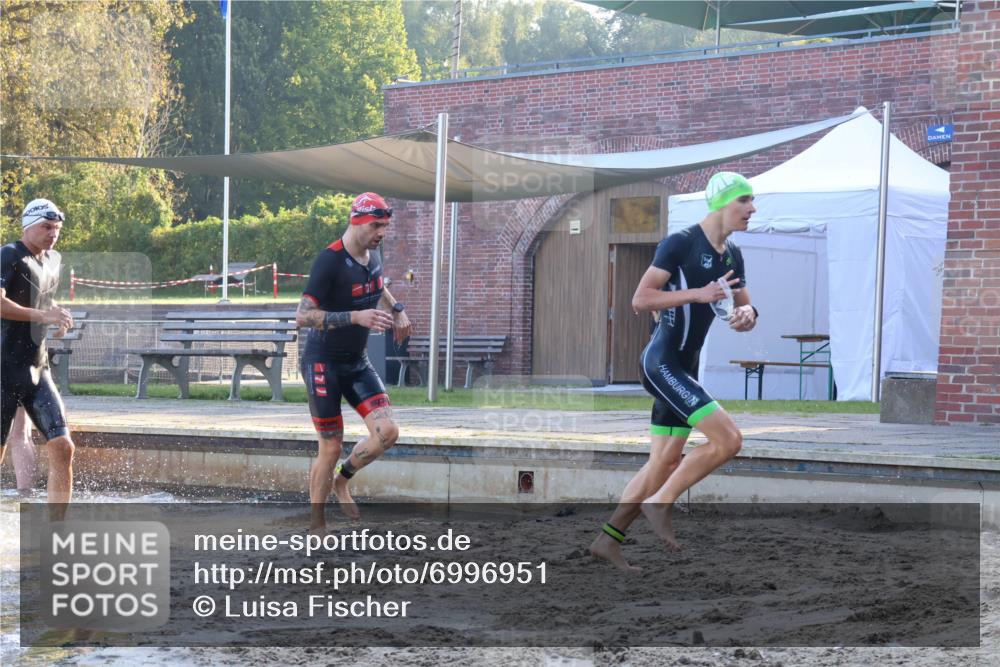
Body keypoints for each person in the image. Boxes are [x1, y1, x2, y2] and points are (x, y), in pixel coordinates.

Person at [591, 172, 759, 571]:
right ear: (722, 204)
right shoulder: (681, 243)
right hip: (662, 364)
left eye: (753, 202)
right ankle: (660, 503)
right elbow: (640, 299)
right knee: (729, 440)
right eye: (745, 201)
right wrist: (698, 295)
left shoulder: (733, 254)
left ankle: (607, 540)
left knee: (664, 462)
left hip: (685, 366)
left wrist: (746, 315)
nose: (752, 209)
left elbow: (746, 304)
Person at [295, 192, 412, 530]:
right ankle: (317, 524)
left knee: (387, 432)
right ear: (356, 221)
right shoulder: (329, 261)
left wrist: (397, 309)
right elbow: (302, 316)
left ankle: (342, 481)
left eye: (385, 226)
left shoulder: (373, 254)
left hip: (355, 361)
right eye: (376, 225)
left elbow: (377, 284)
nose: (381, 233)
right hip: (322, 363)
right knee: (330, 447)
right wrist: (355, 317)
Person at [1, 198, 76, 510]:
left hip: (36, 369)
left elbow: (43, 304)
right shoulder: (9, 255)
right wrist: (43, 316)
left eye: (56, 228)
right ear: (28, 226)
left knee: (62, 447)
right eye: (46, 227)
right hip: (3, 369)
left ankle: (57, 534)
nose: (52, 233)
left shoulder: (52, 261)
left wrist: (58, 316)